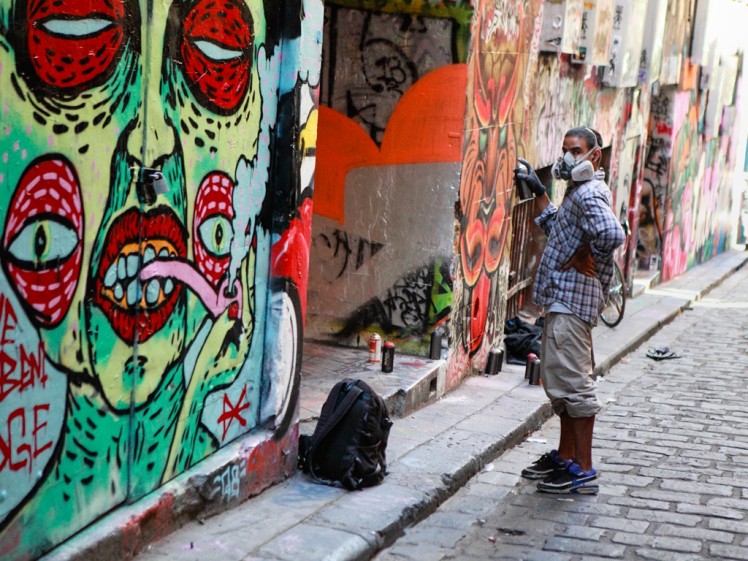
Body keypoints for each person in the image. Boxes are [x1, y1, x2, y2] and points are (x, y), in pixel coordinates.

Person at [513, 127, 625, 494]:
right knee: (561, 386)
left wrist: (583, 255)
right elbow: (557, 225)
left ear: (595, 156)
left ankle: (584, 469)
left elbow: (612, 234)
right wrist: (539, 189)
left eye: (575, 150)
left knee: (575, 388)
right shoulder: (579, 192)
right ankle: (566, 456)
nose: (567, 158)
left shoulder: (591, 192)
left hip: (572, 305)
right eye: (564, 150)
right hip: (563, 303)